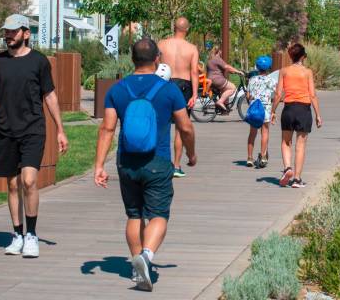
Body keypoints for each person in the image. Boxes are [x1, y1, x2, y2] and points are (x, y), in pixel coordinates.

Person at [94, 38, 197, 292]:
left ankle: (137, 269)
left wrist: (99, 165)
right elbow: (185, 126)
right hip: (158, 161)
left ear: (132, 60)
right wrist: (191, 154)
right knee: (159, 215)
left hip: (126, 162)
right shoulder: (168, 89)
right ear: (157, 60)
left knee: (134, 214)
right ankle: (146, 256)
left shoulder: (117, 90)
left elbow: (107, 128)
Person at [0, 14, 68, 259]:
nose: (8, 35)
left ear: (26, 33)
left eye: (13, 31)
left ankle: (32, 235)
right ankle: (17, 234)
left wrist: (60, 129)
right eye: (6, 31)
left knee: (29, 181)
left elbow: (49, 96)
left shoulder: (39, 62)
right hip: (4, 129)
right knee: (11, 184)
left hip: (32, 128)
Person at [271, 44, 323, 188]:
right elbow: (312, 95)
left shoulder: (284, 71)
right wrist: (318, 114)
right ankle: (297, 179)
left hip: (288, 110)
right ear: (303, 57)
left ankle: (287, 168)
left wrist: (273, 111)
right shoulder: (307, 72)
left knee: (286, 142)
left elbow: (278, 94)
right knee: (300, 145)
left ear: (291, 56)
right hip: (303, 110)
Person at [158, 17, 199, 178]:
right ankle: (176, 165)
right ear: (187, 29)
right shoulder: (192, 48)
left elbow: (154, 66)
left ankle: (160, 162)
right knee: (180, 128)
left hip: (163, 84)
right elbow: (194, 72)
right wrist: (195, 94)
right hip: (183, 86)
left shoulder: (161, 44)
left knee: (161, 125)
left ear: (174, 27)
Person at [246, 55, 276, 168]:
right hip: (266, 109)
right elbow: (277, 93)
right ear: (268, 68)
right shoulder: (271, 80)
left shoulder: (252, 80)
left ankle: (249, 158)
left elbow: (248, 96)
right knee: (265, 133)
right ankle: (263, 156)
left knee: (252, 133)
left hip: (254, 109)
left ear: (257, 67)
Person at [206, 45, 244, 111]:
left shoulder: (210, 59)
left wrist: (234, 71)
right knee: (233, 88)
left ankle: (223, 106)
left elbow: (220, 69)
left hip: (211, 79)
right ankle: (220, 102)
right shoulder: (217, 59)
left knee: (225, 89)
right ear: (219, 51)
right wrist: (238, 71)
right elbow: (227, 67)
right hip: (217, 79)